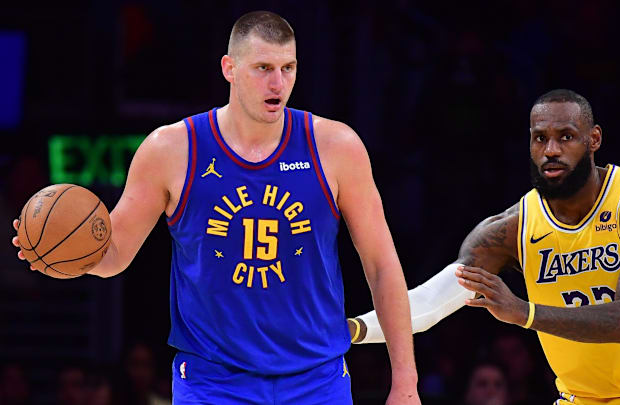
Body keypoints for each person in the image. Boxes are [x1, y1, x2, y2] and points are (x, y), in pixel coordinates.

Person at [12, 11, 419, 404]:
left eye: (288, 68)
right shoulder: (171, 149)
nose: (278, 82)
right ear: (229, 68)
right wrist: (62, 255)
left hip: (316, 378)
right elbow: (113, 253)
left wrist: (405, 383)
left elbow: (381, 264)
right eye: (263, 68)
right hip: (213, 382)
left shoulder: (337, 147)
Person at [348, 89, 620, 404]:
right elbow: (430, 303)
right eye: (540, 138)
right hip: (581, 398)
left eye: (566, 137)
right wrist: (351, 329)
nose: (551, 150)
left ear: (594, 139)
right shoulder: (510, 229)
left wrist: (524, 312)